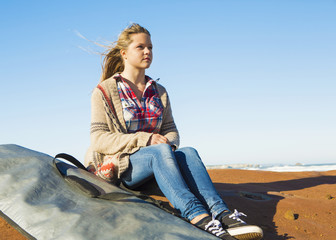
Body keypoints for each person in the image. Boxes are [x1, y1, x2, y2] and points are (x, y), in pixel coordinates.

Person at [85, 23, 263, 240]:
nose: (148, 52)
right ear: (124, 53)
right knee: (160, 152)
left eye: (150, 47)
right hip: (125, 168)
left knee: (188, 152)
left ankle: (222, 213)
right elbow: (98, 139)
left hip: (160, 164)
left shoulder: (159, 91)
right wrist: (148, 140)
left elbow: (171, 131)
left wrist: (167, 143)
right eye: (140, 47)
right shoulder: (105, 90)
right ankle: (197, 216)